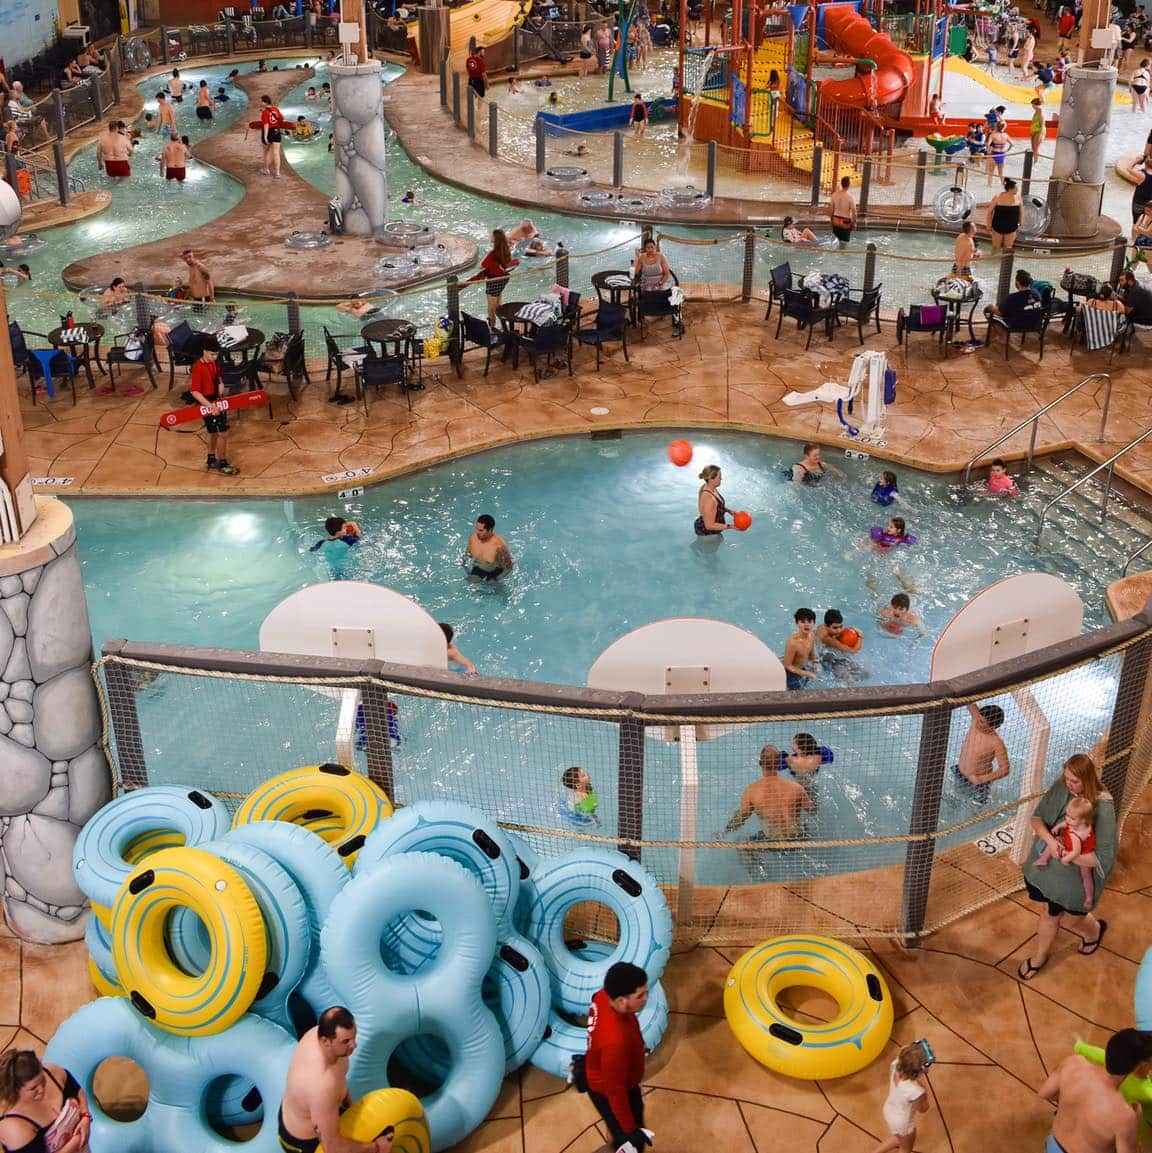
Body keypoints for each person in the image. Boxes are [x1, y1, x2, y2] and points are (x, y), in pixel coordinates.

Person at [1018, 753, 1115, 980]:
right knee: (1049, 912)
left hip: (1076, 877)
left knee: (1073, 919)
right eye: (1067, 778)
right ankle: (1040, 957)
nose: (1068, 784)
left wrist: (1069, 856)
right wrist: (1053, 843)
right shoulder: (1062, 787)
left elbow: (1103, 857)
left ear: (1087, 779)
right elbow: (1037, 819)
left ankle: (1094, 931)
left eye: (1074, 781)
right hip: (1053, 869)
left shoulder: (1104, 808)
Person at [280, 1006, 392, 1153]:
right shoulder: (321, 1086)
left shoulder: (321, 1034)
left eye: (354, 1037)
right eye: (346, 1041)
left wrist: (351, 1110)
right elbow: (333, 1148)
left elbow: (340, 1081)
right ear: (326, 1041)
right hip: (303, 1141)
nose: (354, 1045)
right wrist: (375, 1147)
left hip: (314, 1111)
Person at [1038, 1028, 1152, 1153]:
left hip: (1052, 1147)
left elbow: (1044, 1093)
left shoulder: (1073, 1064)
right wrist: (1137, 1117)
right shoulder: (1125, 1115)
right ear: (1136, 1067)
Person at [585, 963, 653, 1153]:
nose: (646, 998)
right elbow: (615, 1092)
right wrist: (630, 1131)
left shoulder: (602, 996)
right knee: (632, 1145)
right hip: (609, 1091)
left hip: (602, 1073)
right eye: (640, 995)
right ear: (622, 1001)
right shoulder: (615, 1042)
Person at [0, 1048, 92, 1153]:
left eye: (43, 1080)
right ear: (14, 1089)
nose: (41, 1090)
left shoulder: (52, 1073)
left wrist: (85, 1116)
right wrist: (78, 1139)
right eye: (33, 1088)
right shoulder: (13, 1126)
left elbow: (78, 1091)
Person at [726, 744, 815, 840]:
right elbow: (812, 811)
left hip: (775, 842)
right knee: (811, 788)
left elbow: (740, 819)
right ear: (779, 764)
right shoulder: (796, 787)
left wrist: (726, 831)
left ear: (760, 763)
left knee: (744, 848)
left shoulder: (751, 792)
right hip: (799, 839)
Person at [1034, 795, 1099, 908]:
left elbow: (1076, 853)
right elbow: (1066, 823)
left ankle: (1089, 898)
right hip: (1072, 845)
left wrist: (1065, 860)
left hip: (1081, 853)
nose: (1068, 819)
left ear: (1083, 820)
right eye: (1067, 815)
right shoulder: (1082, 823)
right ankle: (1044, 859)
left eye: (1072, 818)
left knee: (1086, 875)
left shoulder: (1076, 836)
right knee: (1055, 841)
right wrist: (1057, 827)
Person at [184, 344, 238, 475]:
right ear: (204, 351)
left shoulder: (214, 362)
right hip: (207, 403)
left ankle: (211, 459)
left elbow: (218, 377)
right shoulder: (197, 368)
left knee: (214, 432)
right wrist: (210, 406)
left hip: (216, 400)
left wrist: (221, 384)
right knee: (223, 433)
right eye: (212, 354)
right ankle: (223, 463)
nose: (215, 357)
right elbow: (195, 392)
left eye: (216, 354)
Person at [870, 1043, 931, 1153]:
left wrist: (910, 1051)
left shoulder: (896, 1064)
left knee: (899, 1138)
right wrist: (924, 1092)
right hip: (902, 1122)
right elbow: (923, 1109)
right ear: (919, 1071)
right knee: (905, 1148)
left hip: (889, 1110)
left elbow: (903, 1050)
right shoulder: (916, 1091)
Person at [953, 701, 1010, 801]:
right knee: (956, 799)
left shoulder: (996, 742)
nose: (978, 722)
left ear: (993, 726)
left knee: (974, 810)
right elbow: (968, 700)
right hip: (960, 773)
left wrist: (981, 779)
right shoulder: (976, 720)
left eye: (982, 722)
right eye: (979, 718)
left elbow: (1005, 769)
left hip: (978, 783)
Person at [469, 229, 518, 324]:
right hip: (503, 279)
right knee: (499, 304)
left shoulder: (493, 254)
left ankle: (492, 328)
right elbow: (506, 264)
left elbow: (481, 266)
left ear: (495, 239)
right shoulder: (506, 249)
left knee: (491, 308)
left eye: (492, 236)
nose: (490, 237)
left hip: (494, 281)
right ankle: (503, 324)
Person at [464, 513, 513, 580]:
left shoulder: (499, 546)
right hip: (478, 568)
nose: (477, 532)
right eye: (477, 529)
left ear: (490, 530)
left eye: (481, 530)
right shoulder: (473, 538)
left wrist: (496, 579)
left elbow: (508, 568)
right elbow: (467, 553)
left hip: (494, 572)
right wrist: (464, 565)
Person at [783, 607, 818, 689]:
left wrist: (815, 661)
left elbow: (811, 652)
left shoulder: (812, 636)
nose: (806, 625)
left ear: (814, 623)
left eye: (809, 621)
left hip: (801, 669)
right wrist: (806, 673)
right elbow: (787, 665)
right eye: (802, 622)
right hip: (790, 675)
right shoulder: (793, 643)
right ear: (797, 623)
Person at [694, 464, 730, 536]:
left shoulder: (711, 488)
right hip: (707, 533)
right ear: (711, 479)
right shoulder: (709, 499)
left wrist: (729, 511)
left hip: (711, 529)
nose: (721, 479)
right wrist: (731, 526)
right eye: (719, 477)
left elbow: (716, 507)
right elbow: (709, 526)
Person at [260, 94, 286, 178]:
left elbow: (266, 125)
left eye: (262, 101)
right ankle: (277, 173)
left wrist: (265, 136)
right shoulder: (276, 109)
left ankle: (266, 170)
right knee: (276, 153)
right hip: (276, 131)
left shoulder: (265, 113)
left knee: (266, 152)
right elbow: (282, 118)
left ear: (265, 102)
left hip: (269, 132)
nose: (260, 103)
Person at [829, 175, 857, 247]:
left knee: (835, 243)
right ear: (849, 185)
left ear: (841, 184)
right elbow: (854, 212)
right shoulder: (850, 197)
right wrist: (853, 224)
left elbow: (831, 209)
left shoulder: (834, 195)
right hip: (845, 222)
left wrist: (831, 220)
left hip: (835, 220)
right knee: (844, 244)